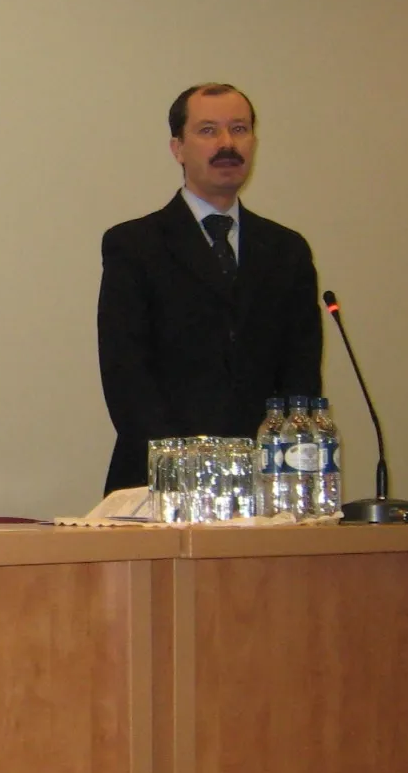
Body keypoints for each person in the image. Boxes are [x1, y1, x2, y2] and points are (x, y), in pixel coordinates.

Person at [97, 83, 322, 494]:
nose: (226, 144)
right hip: (160, 480)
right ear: (178, 148)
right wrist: (187, 471)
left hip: (265, 483)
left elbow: (301, 378)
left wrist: (287, 472)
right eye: (207, 130)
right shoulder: (134, 245)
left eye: (239, 129)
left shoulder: (286, 250)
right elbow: (126, 376)